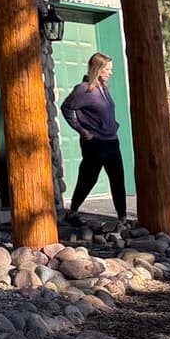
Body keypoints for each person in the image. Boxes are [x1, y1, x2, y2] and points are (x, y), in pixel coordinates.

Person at [60, 52, 126, 223]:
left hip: (112, 141)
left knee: (118, 178)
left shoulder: (104, 88)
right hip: (95, 143)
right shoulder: (83, 89)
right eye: (107, 70)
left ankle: (123, 217)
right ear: (97, 69)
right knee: (89, 178)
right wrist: (82, 131)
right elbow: (66, 108)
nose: (110, 73)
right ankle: (73, 210)